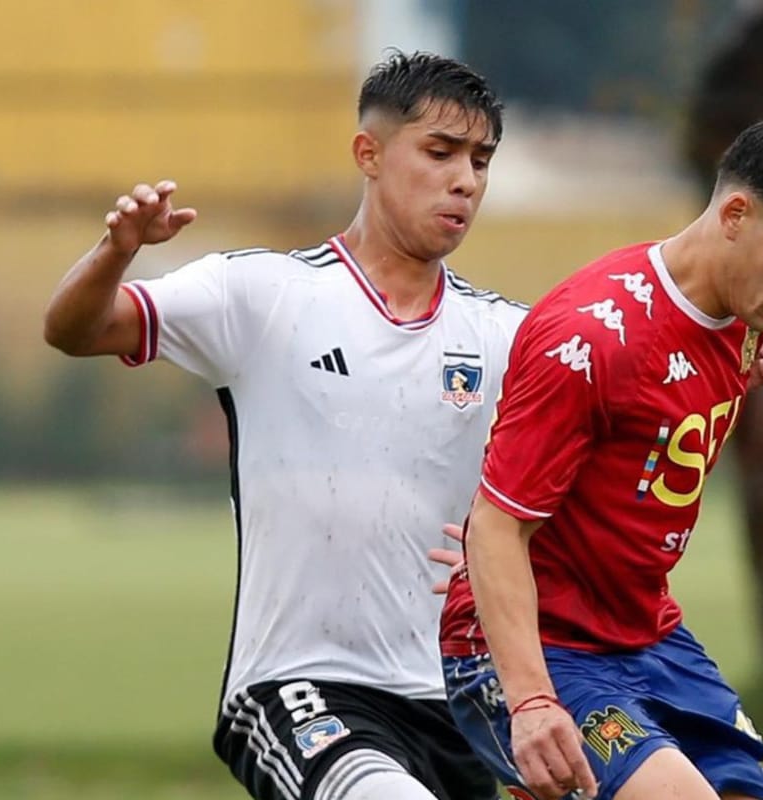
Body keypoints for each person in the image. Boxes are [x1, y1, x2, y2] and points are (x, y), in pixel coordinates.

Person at [43, 52, 523, 800]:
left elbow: (622, 391)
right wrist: (118, 250)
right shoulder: (260, 295)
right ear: (368, 153)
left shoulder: (502, 335)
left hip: (456, 698)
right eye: (440, 153)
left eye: (481, 161)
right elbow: (75, 329)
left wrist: (721, 360)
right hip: (302, 687)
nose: (465, 180)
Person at [439, 109, 763, 800]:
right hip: (537, 652)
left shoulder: (735, 317)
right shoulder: (589, 340)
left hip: (645, 637)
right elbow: (495, 527)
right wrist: (530, 705)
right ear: (735, 214)